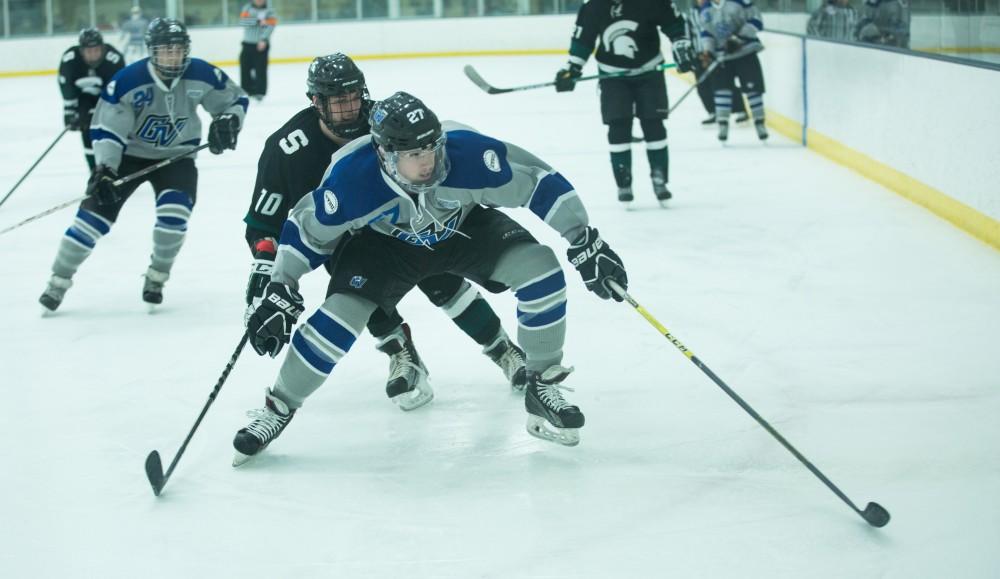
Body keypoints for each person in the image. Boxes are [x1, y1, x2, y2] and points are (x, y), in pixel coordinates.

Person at [233, 91, 630, 464]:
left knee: (541, 270)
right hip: (384, 248)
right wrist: (282, 285)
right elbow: (306, 231)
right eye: (413, 154)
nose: (428, 162)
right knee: (337, 318)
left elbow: (538, 180)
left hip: (462, 228)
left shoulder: (470, 156)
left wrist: (583, 239)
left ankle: (542, 384)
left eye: (432, 148)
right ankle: (278, 406)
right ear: (386, 155)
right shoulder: (352, 179)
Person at [244, 54, 527, 411]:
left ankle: (502, 348)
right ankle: (402, 354)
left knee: (442, 279)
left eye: (354, 97)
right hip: (345, 237)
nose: (349, 107)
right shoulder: (286, 148)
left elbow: (435, 160)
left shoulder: (387, 122)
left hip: (405, 222)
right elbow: (263, 222)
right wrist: (268, 270)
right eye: (338, 100)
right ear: (316, 101)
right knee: (356, 289)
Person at [38, 18, 248, 313]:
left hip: (178, 157)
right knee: (89, 223)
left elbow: (234, 99)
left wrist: (229, 121)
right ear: (151, 51)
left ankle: (156, 277)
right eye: (165, 51)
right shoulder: (128, 80)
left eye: (178, 50)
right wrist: (106, 169)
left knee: (173, 219)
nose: (173, 56)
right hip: (127, 159)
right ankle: (57, 281)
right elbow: (107, 129)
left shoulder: (202, 73)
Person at [553, 0, 695, 205]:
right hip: (613, 75)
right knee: (618, 126)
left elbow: (673, 23)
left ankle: (659, 179)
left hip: (650, 70)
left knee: (654, 124)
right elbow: (583, 40)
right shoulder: (593, 6)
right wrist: (572, 68)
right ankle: (623, 181)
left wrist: (681, 44)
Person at [698, 0, 768, 142]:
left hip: (746, 53)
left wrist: (738, 38)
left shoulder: (740, 2)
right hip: (722, 57)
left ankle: (760, 123)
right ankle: (723, 125)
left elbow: (756, 21)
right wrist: (708, 51)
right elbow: (707, 33)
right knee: (721, 90)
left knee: (753, 89)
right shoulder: (706, 10)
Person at [58, 28, 125, 171]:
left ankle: (114, 168)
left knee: (113, 133)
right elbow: (67, 87)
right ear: (81, 50)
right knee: (86, 128)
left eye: (96, 50)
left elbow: (120, 90)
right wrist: (69, 112)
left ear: (103, 48)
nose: (93, 55)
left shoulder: (114, 60)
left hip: (108, 101)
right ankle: (94, 172)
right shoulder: (70, 60)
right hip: (84, 100)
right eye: (89, 51)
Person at [688, 0, 747, 127]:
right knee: (702, 85)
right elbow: (688, 35)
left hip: (715, 53)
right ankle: (712, 112)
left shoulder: (716, 10)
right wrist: (692, 54)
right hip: (699, 55)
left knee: (724, 83)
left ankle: (740, 110)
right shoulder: (691, 14)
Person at [239, 0, 277, 101]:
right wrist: (259, 21)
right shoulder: (247, 8)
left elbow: (271, 24)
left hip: (262, 44)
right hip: (247, 43)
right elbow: (243, 22)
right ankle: (246, 90)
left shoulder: (270, 10)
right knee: (245, 68)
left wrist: (264, 39)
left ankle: (259, 92)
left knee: (260, 69)